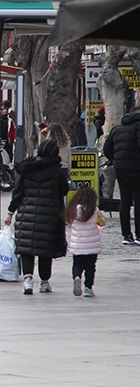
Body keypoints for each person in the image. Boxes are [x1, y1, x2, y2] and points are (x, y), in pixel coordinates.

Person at [4, 139, 69, 295]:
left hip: (27, 215)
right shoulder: (57, 173)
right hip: (49, 217)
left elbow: (18, 193)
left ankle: (27, 281)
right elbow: (64, 191)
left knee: (27, 248)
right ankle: (44, 282)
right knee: (45, 249)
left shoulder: (27, 169)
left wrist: (10, 212)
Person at [102, 106, 140, 245]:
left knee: (125, 200)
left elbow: (107, 148)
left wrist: (115, 160)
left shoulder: (117, 129)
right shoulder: (138, 127)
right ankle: (139, 235)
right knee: (138, 200)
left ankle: (126, 235)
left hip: (120, 168)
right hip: (136, 168)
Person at [64, 185, 102, 298]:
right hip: (92, 245)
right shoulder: (95, 210)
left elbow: (70, 223)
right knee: (90, 267)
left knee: (77, 264)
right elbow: (102, 223)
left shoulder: (73, 210)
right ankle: (88, 288)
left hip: (77, 245)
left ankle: (76, 277)